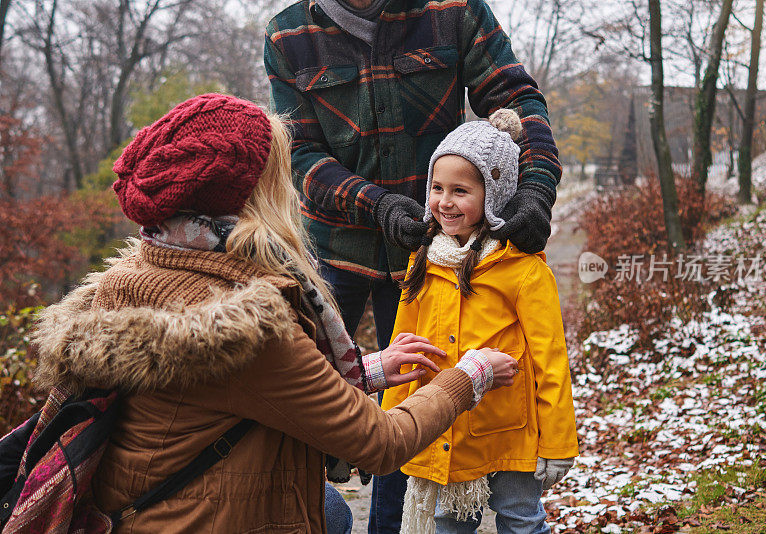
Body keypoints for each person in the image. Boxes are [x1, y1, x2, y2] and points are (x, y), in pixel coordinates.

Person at [29, 94, 520, 533]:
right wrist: (468, 376)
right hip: (193, 518)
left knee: (331, 507)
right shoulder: (240, 326)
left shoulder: (138, 270)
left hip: (129, 515)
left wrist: (368, 371)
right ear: (251, 198)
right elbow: (379, 442)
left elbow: (238, 397)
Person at [264, 0, 562, 529]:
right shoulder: (290, 34)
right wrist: (375, 205)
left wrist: (536, 187)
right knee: (299, 399)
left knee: (420, 404)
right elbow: (301, 153)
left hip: (432, 254)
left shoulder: (453, 10)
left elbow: (518, 99)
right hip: (336, 251)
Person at [381, 109, 579, 533]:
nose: (444, 202)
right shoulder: (424, 261)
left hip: (510, 429)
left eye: (460, 190)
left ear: (493, 194)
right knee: (450, 525)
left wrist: (559, 441)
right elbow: (404, 346)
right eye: (436, 188)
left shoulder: (521, 269)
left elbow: (551, 358)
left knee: (520, 520)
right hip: (448, 424)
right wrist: (390, 424)